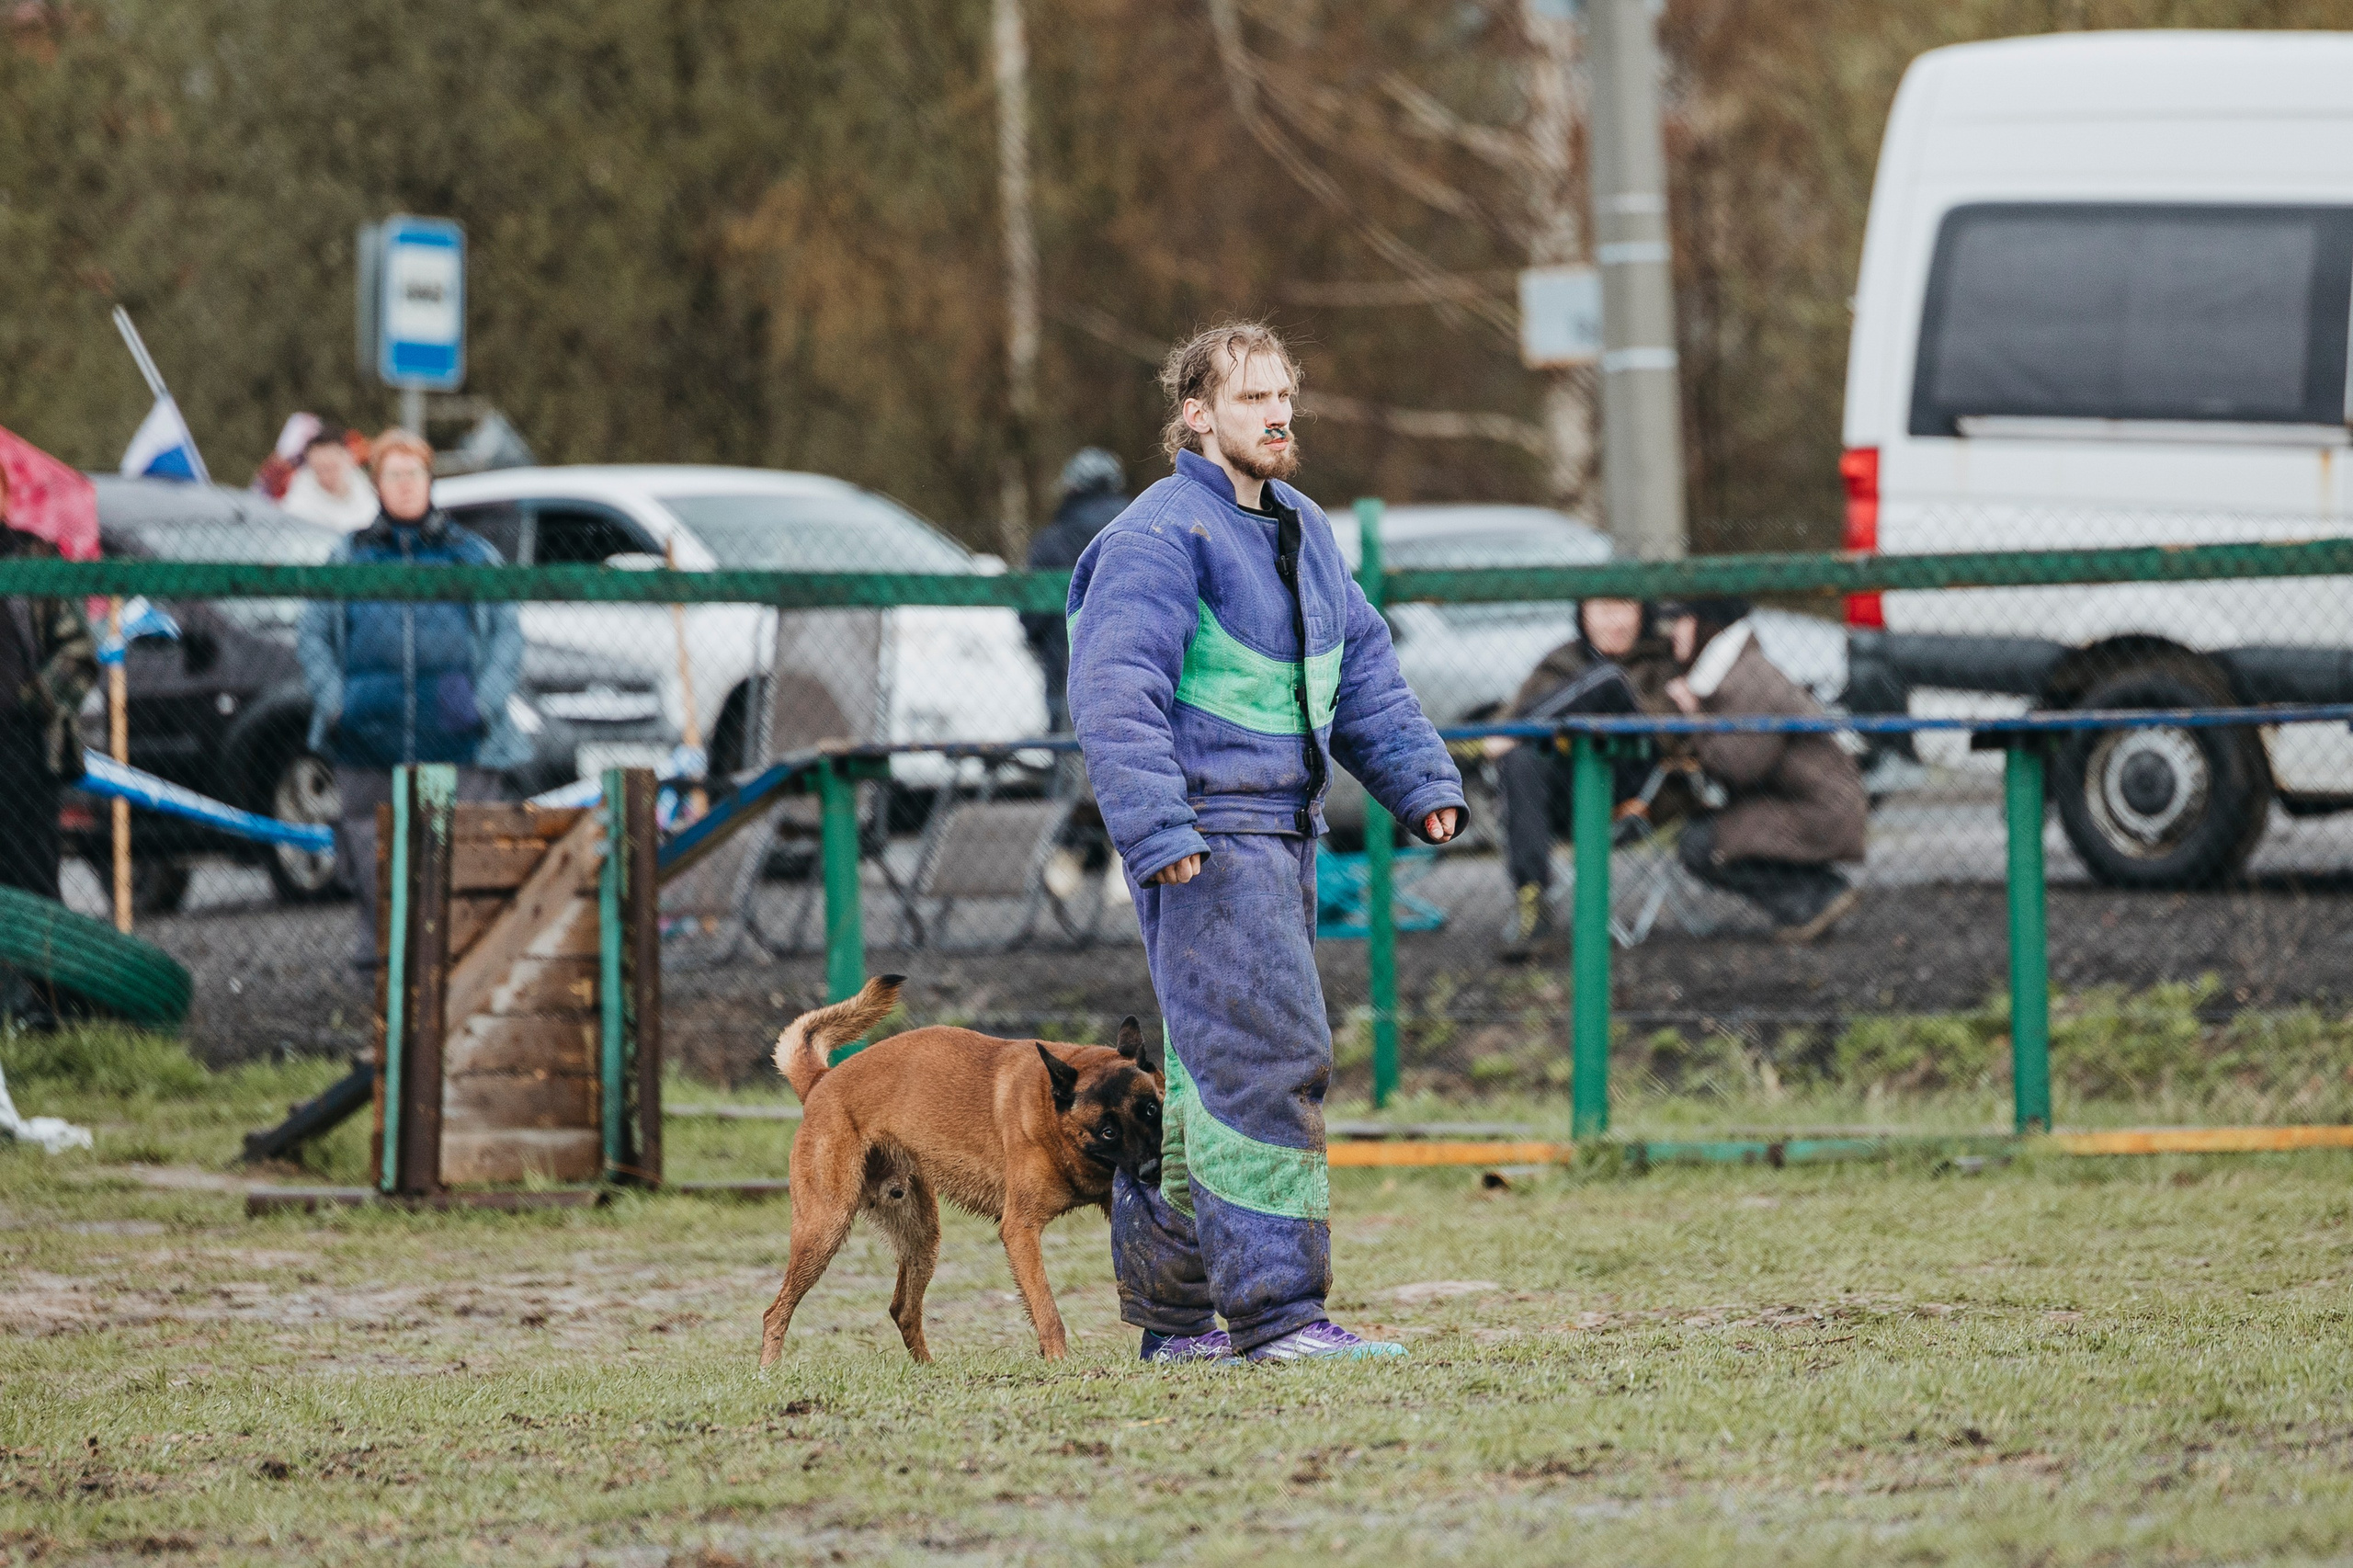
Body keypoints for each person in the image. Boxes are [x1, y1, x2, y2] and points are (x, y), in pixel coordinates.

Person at [1068, 321, 1466, 1365]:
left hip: (1281, 837)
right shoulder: (1160, 537)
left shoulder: (1302, 527)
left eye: (1285, 394)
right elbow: (1114, 694)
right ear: (1195, 414)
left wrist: (1420, 782)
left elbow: (1362, 665)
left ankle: (1175, 1324)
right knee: (1267, 1063)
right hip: (1210, 841)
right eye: (1253, 398)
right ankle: (1280, 1316)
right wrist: (1160, 829)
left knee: (1205, 1081)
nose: (1278, 414)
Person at [296, 429, 525, 966]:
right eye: (393, 474)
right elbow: (313, 636)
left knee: (462, 855)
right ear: (377, 483)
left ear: (430, 479)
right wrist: (337, 704)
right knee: (373, 856)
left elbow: (507, 638)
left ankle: (462, 967)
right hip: (367, 733)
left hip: (459, 734)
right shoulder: (348, 557)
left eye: (414, 473)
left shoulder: (471, 556)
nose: (405, 485)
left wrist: (481, 705)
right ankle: (381, 969)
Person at [1661, 597, 1866, 943]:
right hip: (1807, 803)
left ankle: (1814, 900)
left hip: (1819, 811)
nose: (1673, 632)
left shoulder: (1748, 678)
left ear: (1706, 626)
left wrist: (1694, 717)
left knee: (1700, 842)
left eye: (1682, 621)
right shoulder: (1739, 670)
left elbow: (1739, 766)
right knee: (1709, 830)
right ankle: (1818, 893)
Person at [1488, 597, 1681, 960]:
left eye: (1623, 608)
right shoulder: (1561, 661)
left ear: (1643, 614)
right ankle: (1533, 902)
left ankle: (1516, 732)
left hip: (1633, 790)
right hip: (1563, 796)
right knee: (1520, 759)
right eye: (1602, 609)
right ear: (1583, 614)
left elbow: (1673, 731)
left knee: (1609, 680)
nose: (1613, 621)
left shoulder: (1664, 662)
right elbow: (1510, 713)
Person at [0, 466, 98, 1025]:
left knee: (33, 877)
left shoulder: (35, 558)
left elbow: (79, 652)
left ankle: (46, 1007)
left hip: (24, 746)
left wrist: (34, 698)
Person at [279, 425, 380, 532]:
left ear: (347, 458)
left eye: (332, 467)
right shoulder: (298, 504)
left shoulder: (364, 487)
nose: (326, 475)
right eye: (320, 469)